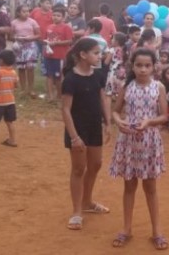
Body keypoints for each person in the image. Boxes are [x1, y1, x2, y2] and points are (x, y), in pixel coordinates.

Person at [109, 48, 168, 250]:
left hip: (150, 142)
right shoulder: (126, 87)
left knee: (150, 188)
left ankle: (157, 231)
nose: (143, 69)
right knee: (129, 187)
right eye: (139, 65)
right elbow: (115, 112)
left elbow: (164, 116)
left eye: (147, 65)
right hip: (128, 141)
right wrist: (119, 122)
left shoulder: (158, 87)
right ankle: (126, 229)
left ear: (153, 67)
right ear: (132, 66)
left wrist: (149, 121)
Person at [61, 38, 111, 231]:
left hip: (94, 127)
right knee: (78, 169)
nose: (100, 56)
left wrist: (107, 122)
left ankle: (88, 202)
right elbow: (65, 110)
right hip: (77, 129)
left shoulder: (98, 75)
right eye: (96, 53)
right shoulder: (70, 79)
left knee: (96, 164)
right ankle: (76, 212)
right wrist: (74, 136)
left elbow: (103, 99)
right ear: (83, 55)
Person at [44, 6, 74, 103]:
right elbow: (45, 39)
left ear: (63, 17)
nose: (55, 17)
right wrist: (47, 43)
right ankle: (50, 96)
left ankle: (59, 95)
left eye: (58, 15)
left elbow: (69, 41)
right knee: (49, 75)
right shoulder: (49, 27)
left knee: (58, 76)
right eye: (54, 15)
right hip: (48, 55)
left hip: (59, 56)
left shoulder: (66, 27)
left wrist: (56, 43)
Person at [11, 4, 40, 98]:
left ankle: (31, 89)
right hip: (19, 47)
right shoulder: (14, 22)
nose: (26, 13)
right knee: (21, 68)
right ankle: (23, 89)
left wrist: (31, 37)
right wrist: (16, 38)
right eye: (24, 11)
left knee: (30, 67)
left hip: (30, 46)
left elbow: (38, 35)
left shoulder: (33, 22)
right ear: (18, 13)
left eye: (28, 11)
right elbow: (10, 36)